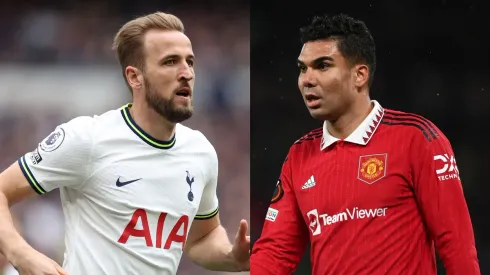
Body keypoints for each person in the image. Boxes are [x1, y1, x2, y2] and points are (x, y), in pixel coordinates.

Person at [0, 12, 250, 275]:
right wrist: (21, 253)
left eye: (190, 62)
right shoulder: (89, 138)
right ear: (135, 77)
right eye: (170, 62)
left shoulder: (201, 153)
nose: (186, 73)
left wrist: (231, 256)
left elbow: (201, 239)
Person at [250, 13, 480, 275]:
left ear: (359, 75)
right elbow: (276, 252)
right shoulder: (299, 154)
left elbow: (456, 244)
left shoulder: (418, 139)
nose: (307, 80)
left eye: (322, 66)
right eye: (303, 68)